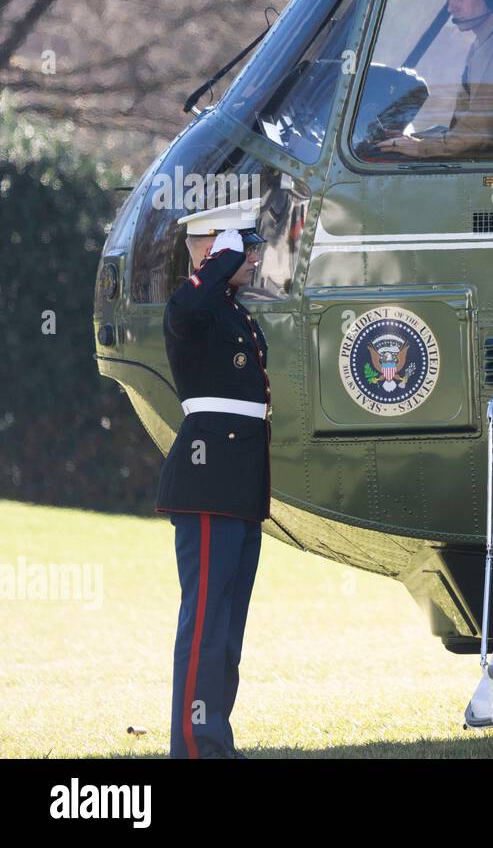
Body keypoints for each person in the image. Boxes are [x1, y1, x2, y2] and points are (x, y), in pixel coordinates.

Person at [155, 203, 270, 758]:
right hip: (208, 479)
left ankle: (214, 738)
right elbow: (182, 306)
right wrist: (218, 262)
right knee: (203, 623)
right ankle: (193, 747)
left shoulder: (232, 312)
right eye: (243, 243)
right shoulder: (195, 305)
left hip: (240, 482)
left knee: (226, 629)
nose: (253, 254)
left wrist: (223, 264)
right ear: (212, 249)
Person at [376, 0, 493, 159]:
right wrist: (414, 139)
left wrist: (420, 148)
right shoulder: (487, 41)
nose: (451, 6)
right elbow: (466, 129)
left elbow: (477, 133)